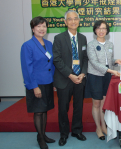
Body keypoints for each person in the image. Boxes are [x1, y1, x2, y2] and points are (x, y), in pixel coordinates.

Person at [53, 10, 88, 146]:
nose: (73, 21)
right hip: (64, 79)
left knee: (78, 106)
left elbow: (85, 58)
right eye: (70, 19)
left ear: (79, 21)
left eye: (75, 19)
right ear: (65, 22)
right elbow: (57, 59)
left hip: (80, 78)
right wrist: (70, 75)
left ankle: (77, 131)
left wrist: (82, 74)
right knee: (63, 108)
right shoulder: (59, 38)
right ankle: (63, 134)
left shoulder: (83, 38)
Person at [20, 16, 55, 149]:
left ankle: (43, 134)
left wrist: (55, 80)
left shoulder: (49, 44)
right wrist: (34, 86)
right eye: (39, 26)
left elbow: (52, 64)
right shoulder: (27, 45)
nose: (42, 29)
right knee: (38, 112)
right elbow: (27, 68)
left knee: (44, 110)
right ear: (33, 28)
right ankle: (40, 137)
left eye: (44, 26)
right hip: (36, 83)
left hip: (48, 82)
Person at [85, 20, 121, 140]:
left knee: (103, 104)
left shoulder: (110, 44)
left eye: (104, 28)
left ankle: (104, 126)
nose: (101, 31)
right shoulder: (91, 44)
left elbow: (109, 61)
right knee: (96, 103)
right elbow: (94, 63)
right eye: (99, 28)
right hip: (95, 76)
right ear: (95, 30)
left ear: (107, 30)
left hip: (107, 77)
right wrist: (111, 71)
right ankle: (98, 128)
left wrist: (115, 61)